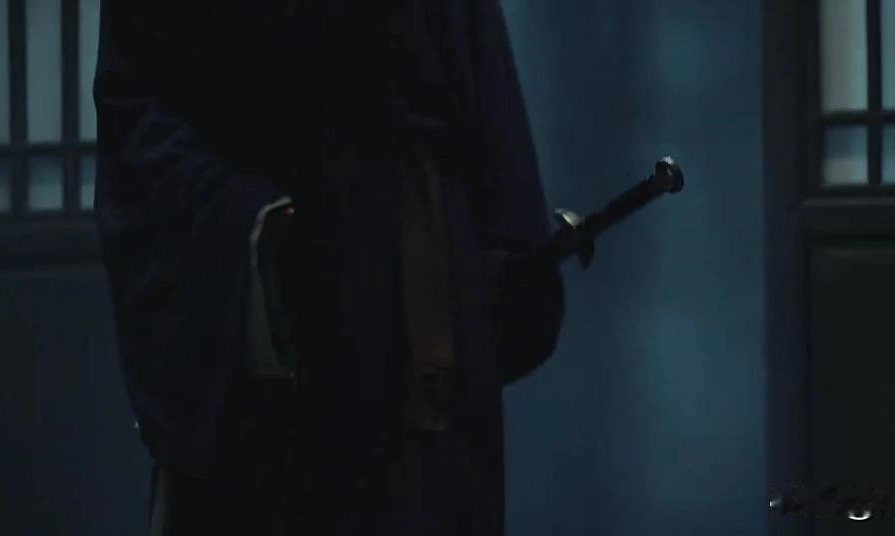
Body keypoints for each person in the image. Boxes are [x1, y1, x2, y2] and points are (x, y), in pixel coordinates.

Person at [93, 1, 565, 533]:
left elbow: (481, 73)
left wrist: (507, 252)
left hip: (423, 298)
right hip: (275, 315)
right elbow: (135, 107)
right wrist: (248, 228)